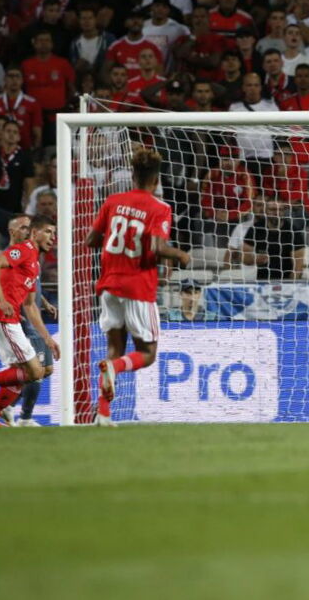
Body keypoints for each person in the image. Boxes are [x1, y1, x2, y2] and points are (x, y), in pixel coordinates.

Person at [84, 148, 190, 426]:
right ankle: (114, 369)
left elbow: (91, 240)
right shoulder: (160, 208)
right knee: (148, 353)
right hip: (138, 287)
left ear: (132, 175)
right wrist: (180, 255)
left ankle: (103, 414)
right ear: (156, 181)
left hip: (108, 284)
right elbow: (157, 247)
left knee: (114, 348)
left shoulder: (113, 201)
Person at [0, 215, 59, 427]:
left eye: (55, 233)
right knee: (35, 372)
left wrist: (48, 339)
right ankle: (21, 417)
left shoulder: (34, 263)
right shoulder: (24, 249)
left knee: (22, 374)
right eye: (49, 232)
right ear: (35, 233)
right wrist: (3, 300)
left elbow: (31, 306)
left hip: (11, 318)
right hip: (3, 317)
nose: (53, 237)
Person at [241, 197, 305, 280]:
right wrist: (255, 260)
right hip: (262, 281)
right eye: (273, 209)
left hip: (286, 281)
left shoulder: (293, 231)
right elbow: (244, 258)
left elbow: (298, 265)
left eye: (280, 210)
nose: (277, 213)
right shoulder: (255, 229)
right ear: (266, 211)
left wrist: (291, 285)